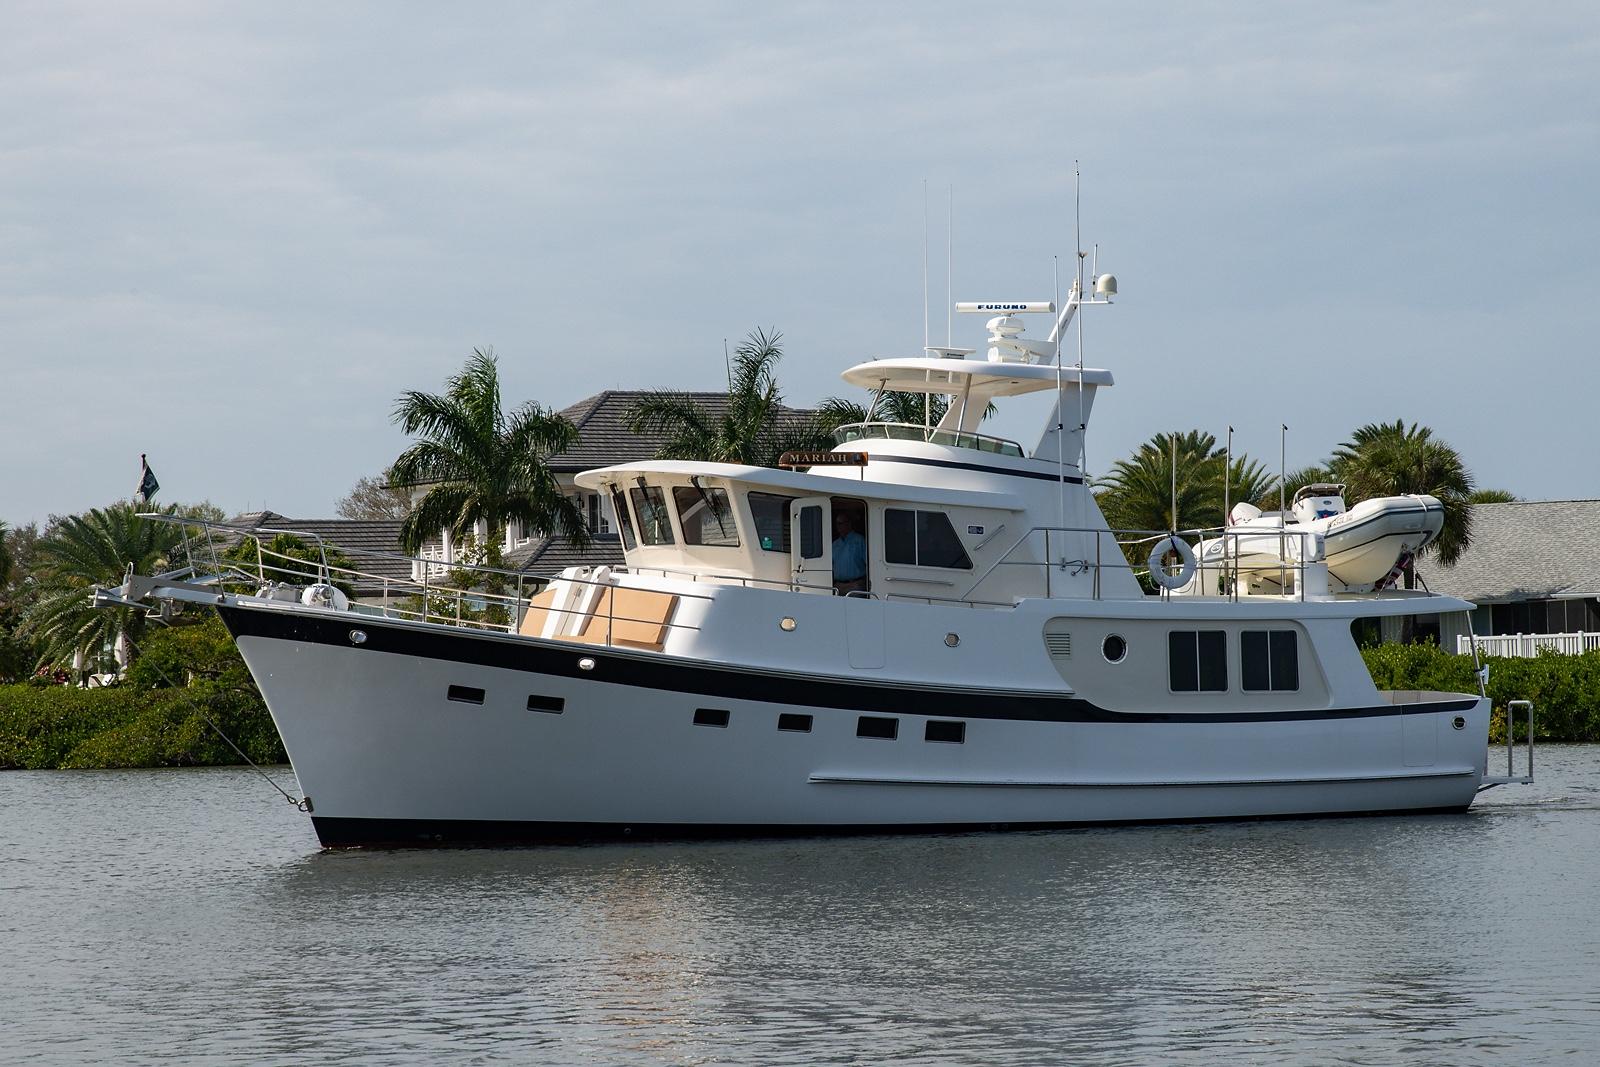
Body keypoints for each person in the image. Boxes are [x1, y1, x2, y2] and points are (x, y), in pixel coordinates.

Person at [832, 512, 867, 595]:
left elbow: (869, 564)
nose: (838, 526)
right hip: (838, 586)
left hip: (855, 585)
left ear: (849, 523)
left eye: (841, 523)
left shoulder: (860, 540)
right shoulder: (835, 544)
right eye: (837, 524)